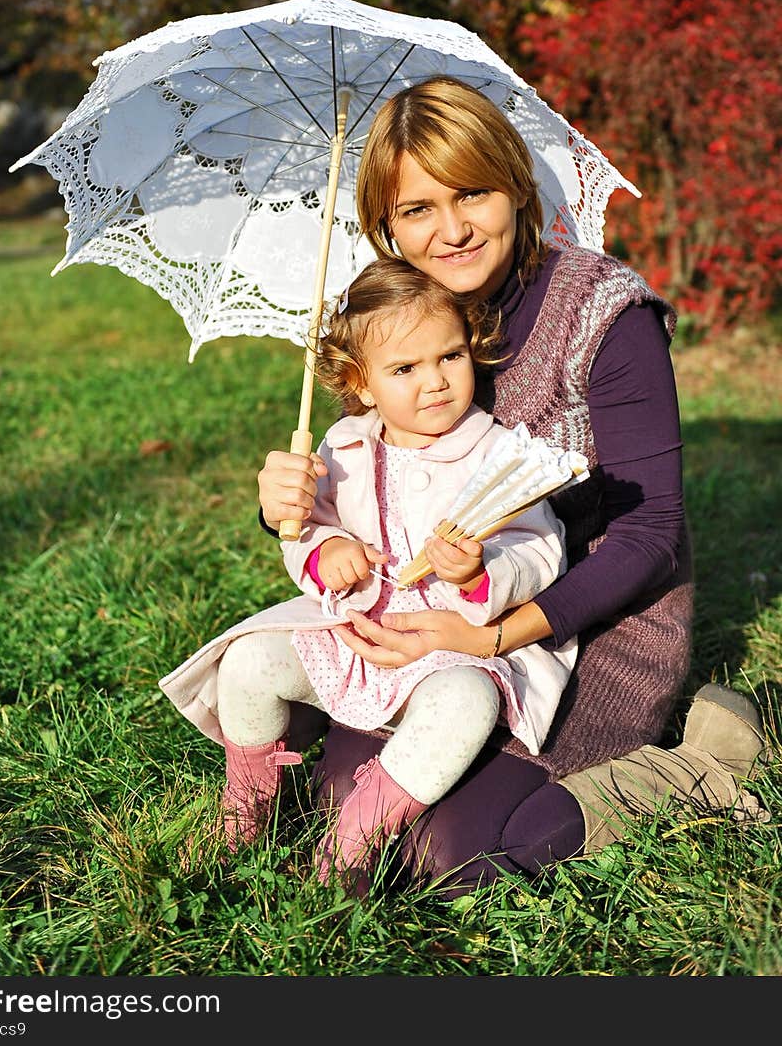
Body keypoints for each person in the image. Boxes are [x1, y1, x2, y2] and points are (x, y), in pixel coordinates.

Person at [254, 74, 768, 898]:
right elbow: (360, 482)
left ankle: (704, 762)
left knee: (452, 861)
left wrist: (491, 639)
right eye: (416, 210)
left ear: (517, 186)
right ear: (384, 224)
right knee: (345, 807)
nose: (451, 230)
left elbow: (652, 533)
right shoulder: (399, 321)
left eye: (473, 194)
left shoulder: (603, 316)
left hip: (586, 623)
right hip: (423, 622)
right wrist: (286, 506)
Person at [162, 260, 577, 890]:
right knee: (248, 661)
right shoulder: (343, 446)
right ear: (361, 383)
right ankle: (250, 801)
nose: (436, 382)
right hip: (353, 634)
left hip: (450, 650)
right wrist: (324, 550)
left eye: (451, 357)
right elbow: (308, 530)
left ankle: (354, 840)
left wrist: (479, 574)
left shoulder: (494, 452)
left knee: (467, 702)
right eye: (405, 369)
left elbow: (541, 547)